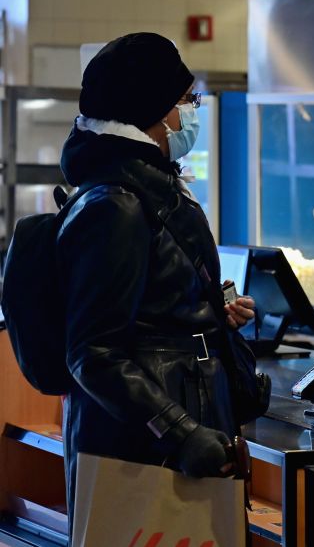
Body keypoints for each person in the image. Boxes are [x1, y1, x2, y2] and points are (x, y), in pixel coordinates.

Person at [58, 33, 270, 529]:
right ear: (150, 109)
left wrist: (208, 309)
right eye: (185, 101)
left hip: (170, 436)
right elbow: (92, 350)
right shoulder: (117, 205)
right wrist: (179, 432)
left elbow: (150, 308)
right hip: (146, 452)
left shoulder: (145, 190)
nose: (190, 113)